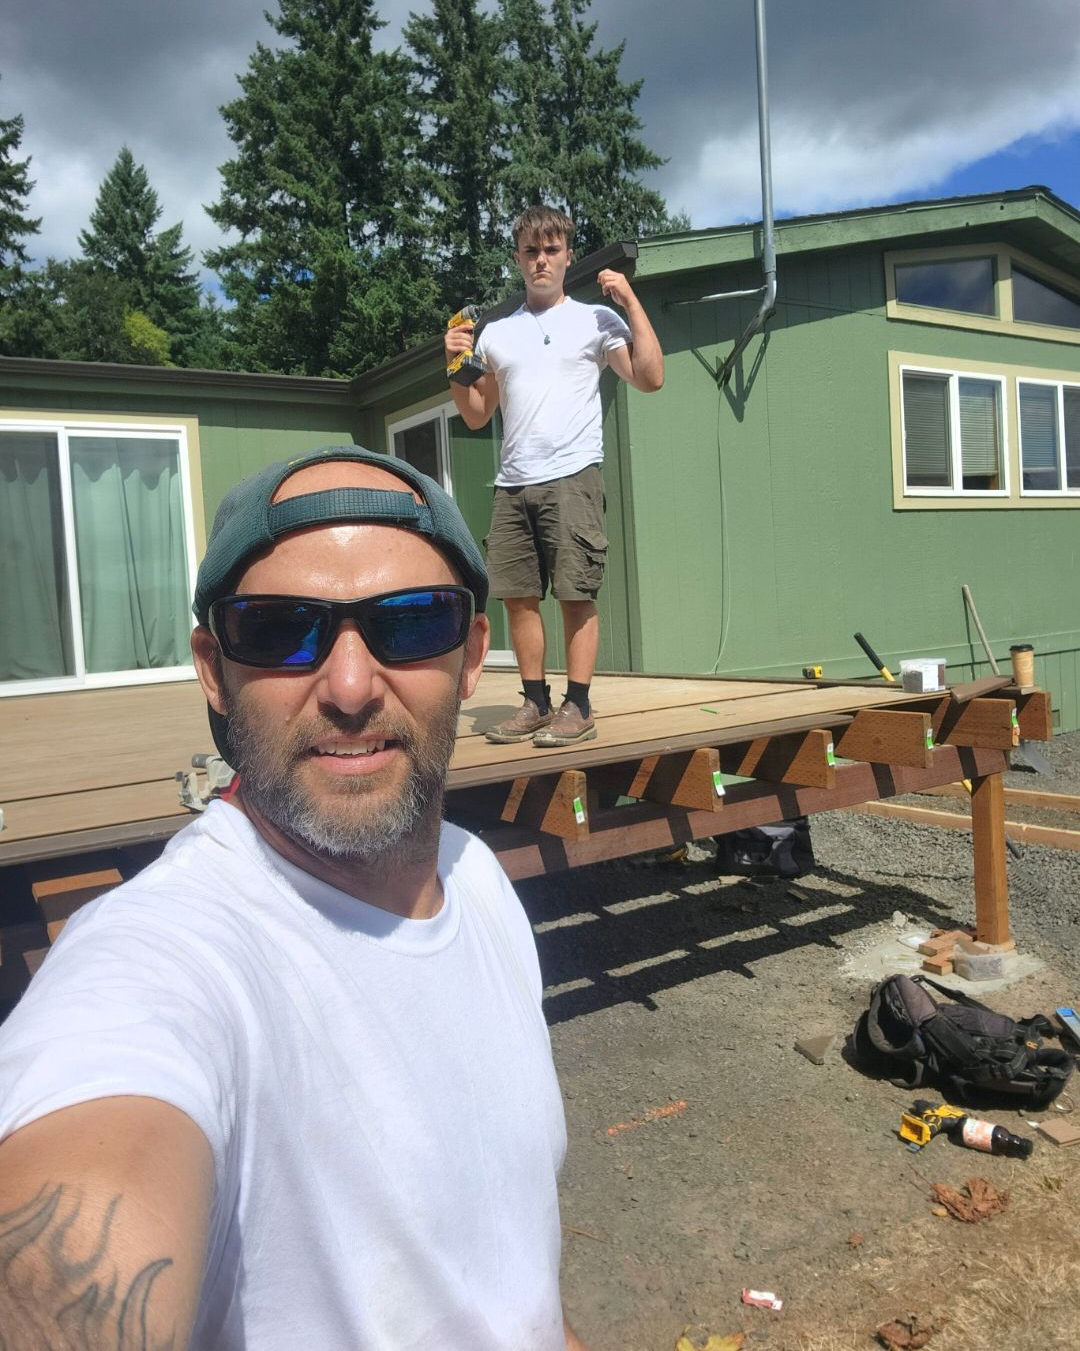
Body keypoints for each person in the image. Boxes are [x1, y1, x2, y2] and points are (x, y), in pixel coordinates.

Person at [0, 445, 591, 1351]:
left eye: (411, 622)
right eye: (280, 629)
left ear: (474, 655)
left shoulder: (478, 881)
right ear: (213, 668)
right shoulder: (161, 958)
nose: (349, 687)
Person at [445, 204, 664, 748]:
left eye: (551, 250)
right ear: (517, 259)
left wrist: (631, 302)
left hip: (573, 477)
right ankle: (536, 703)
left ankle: (579, 706)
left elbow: (650, 377)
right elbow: (476, 413)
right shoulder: (496, 334)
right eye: (530, 252)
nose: (540, 260)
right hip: (513, 482)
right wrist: (453, 365)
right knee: (518, 597)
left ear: (567, 255)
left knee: (574, 594)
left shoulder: (596, 319)